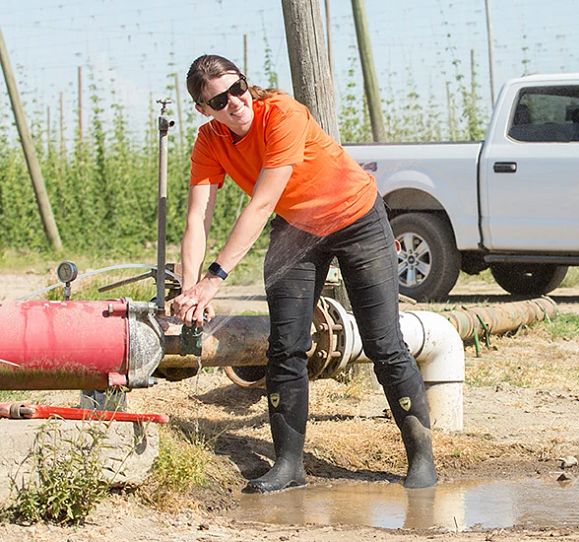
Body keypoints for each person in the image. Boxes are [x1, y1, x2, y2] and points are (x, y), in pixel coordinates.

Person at [170, 54, 437, 492]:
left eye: (238, 88)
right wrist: (189, 291)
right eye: (219, 100)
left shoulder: (283, 114)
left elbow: (259, 204)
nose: (235, 102)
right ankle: (289, 466)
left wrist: (214, 278)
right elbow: (197, 218)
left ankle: (421, 459)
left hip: (356, 218)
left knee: (383, 343)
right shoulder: (208, 142)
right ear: (204, 110)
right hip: (297, 226)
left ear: (245, 83)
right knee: (285, 346)